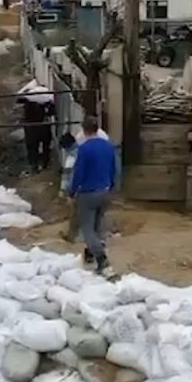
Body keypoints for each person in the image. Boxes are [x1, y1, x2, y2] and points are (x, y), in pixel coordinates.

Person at [68, 115, 118, 275]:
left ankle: (102, 260)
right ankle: (90, 256)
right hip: (105, 190)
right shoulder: (108, 146)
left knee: (87, 229)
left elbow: (79, 173)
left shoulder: (84, 149)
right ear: (98, 129)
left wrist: (72, 191)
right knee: (98, 225)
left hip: (88, 193)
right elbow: (113, 169)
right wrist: (111, 186)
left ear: (84, 130)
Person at [60, 123, 110, 242]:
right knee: (97, 217)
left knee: (77, 214)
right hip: (101, 187)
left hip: (83, 190)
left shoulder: (72, 157)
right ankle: (98, 238)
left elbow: (69, 177)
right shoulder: (86, 149)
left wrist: (67, 193)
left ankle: (76, 237)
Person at [18, 91, 55, 173]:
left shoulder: (28, 103)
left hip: (32, 129)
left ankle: (34, 165)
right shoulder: (46, 103)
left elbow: (26, 115)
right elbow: (52, 113)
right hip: (44, 128)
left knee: (32, 148)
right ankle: (45, 163)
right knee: (46, 146)